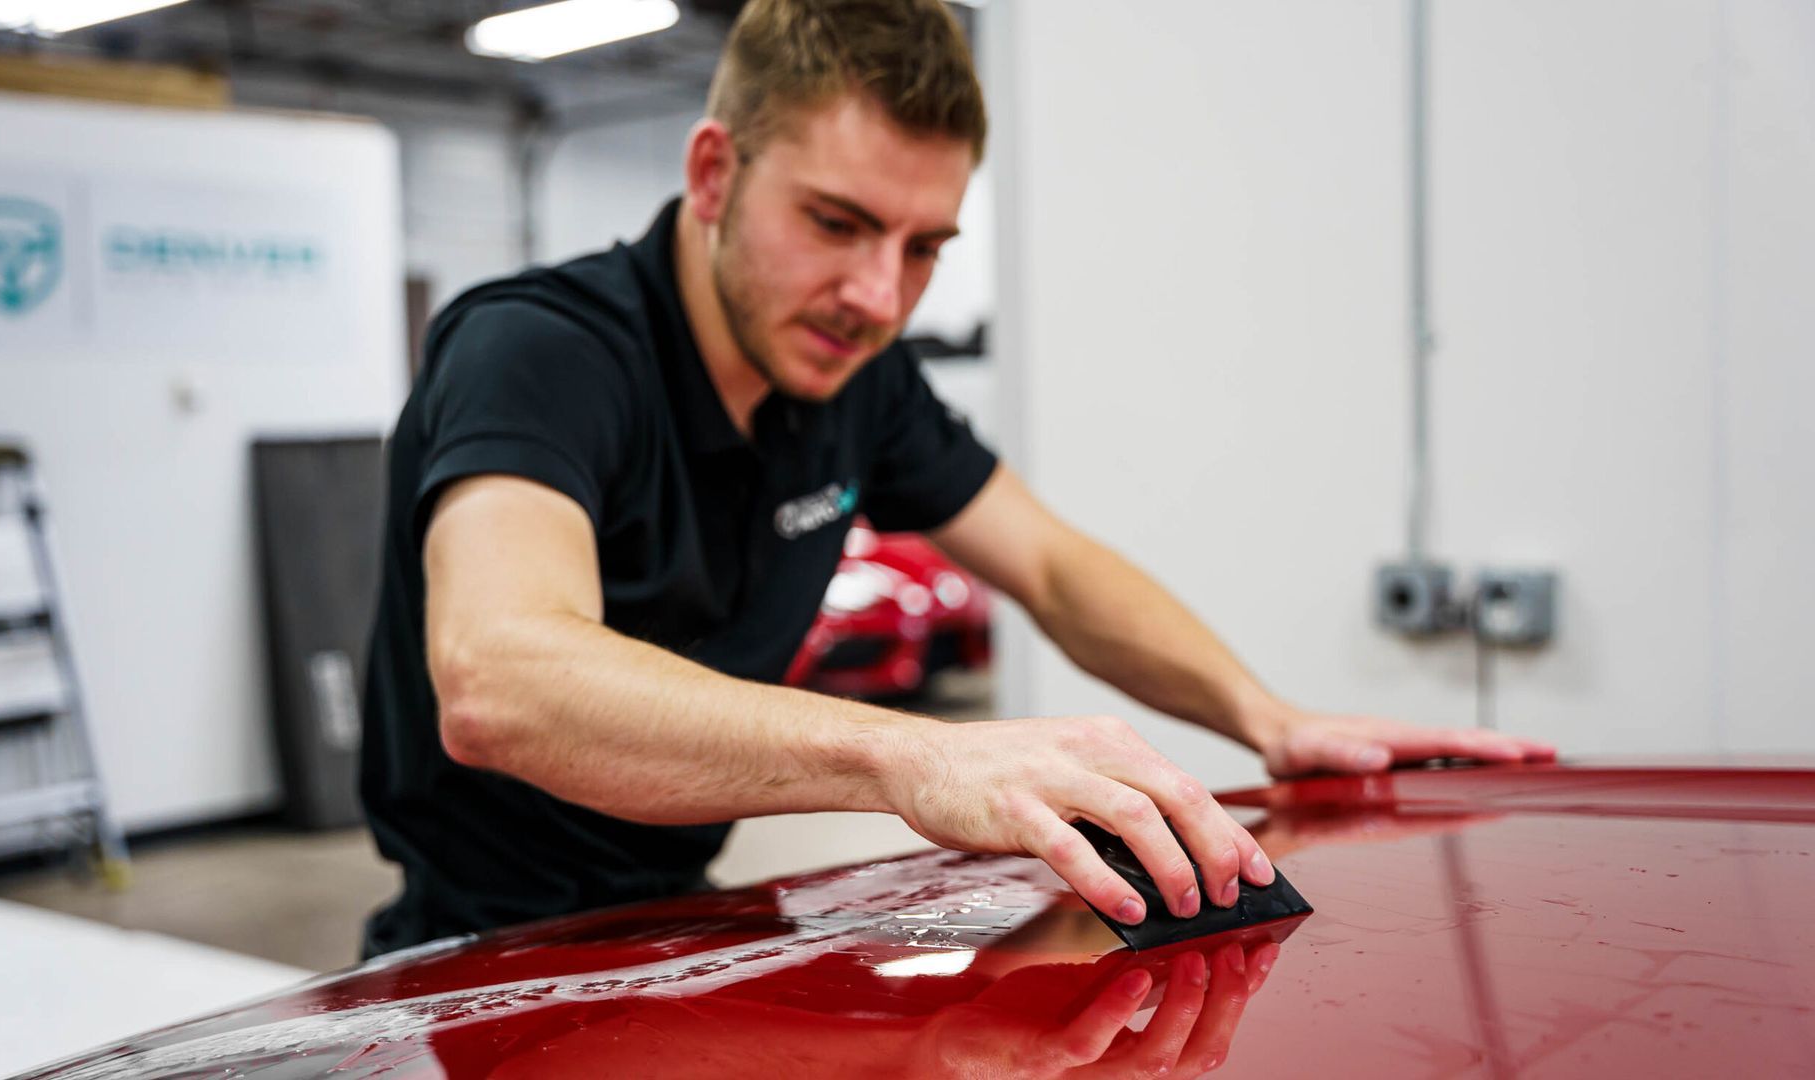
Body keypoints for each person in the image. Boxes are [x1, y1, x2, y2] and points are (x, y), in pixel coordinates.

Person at [359, 0, 1554, 959]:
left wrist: (1268, 717)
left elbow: (1052, 565)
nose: (880, 297)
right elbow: (499, 675)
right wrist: (916, 756)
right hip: (472, 952)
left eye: (923, 247)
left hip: (676, 919)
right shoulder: (541, 351)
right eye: (837, 222)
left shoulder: (850, 379)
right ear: (715, 173)